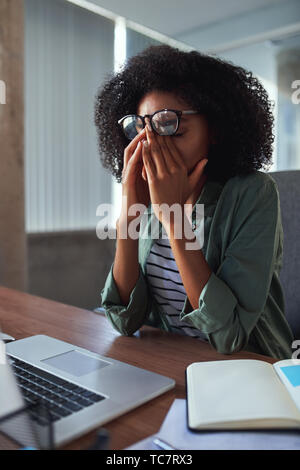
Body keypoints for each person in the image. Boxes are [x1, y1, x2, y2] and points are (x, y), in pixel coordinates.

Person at [94, 45, 294, 360]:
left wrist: (173, 218)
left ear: (214, 129)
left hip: (249, 367)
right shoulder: (146, 201)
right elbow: (123, 319)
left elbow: (230, 335)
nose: (152, 144)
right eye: (141, 129)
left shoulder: (254, 194)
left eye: (170, 126)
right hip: (173, 360)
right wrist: (129, 216)